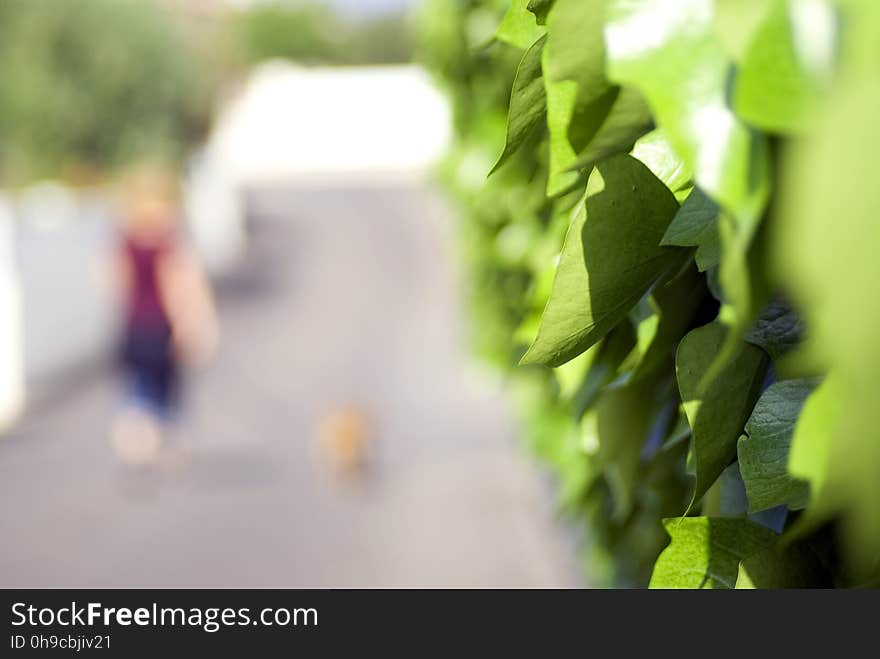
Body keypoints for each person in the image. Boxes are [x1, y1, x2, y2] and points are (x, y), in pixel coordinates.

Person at [110, 164, 218, 466]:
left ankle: (137, 427)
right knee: (169, 387)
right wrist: (193, 324)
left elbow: (115, 282)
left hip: (134, 327)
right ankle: (168, 435)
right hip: (163, 328)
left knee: (139, 384)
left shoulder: (126, 243)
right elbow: (182, 287)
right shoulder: (170, 245)